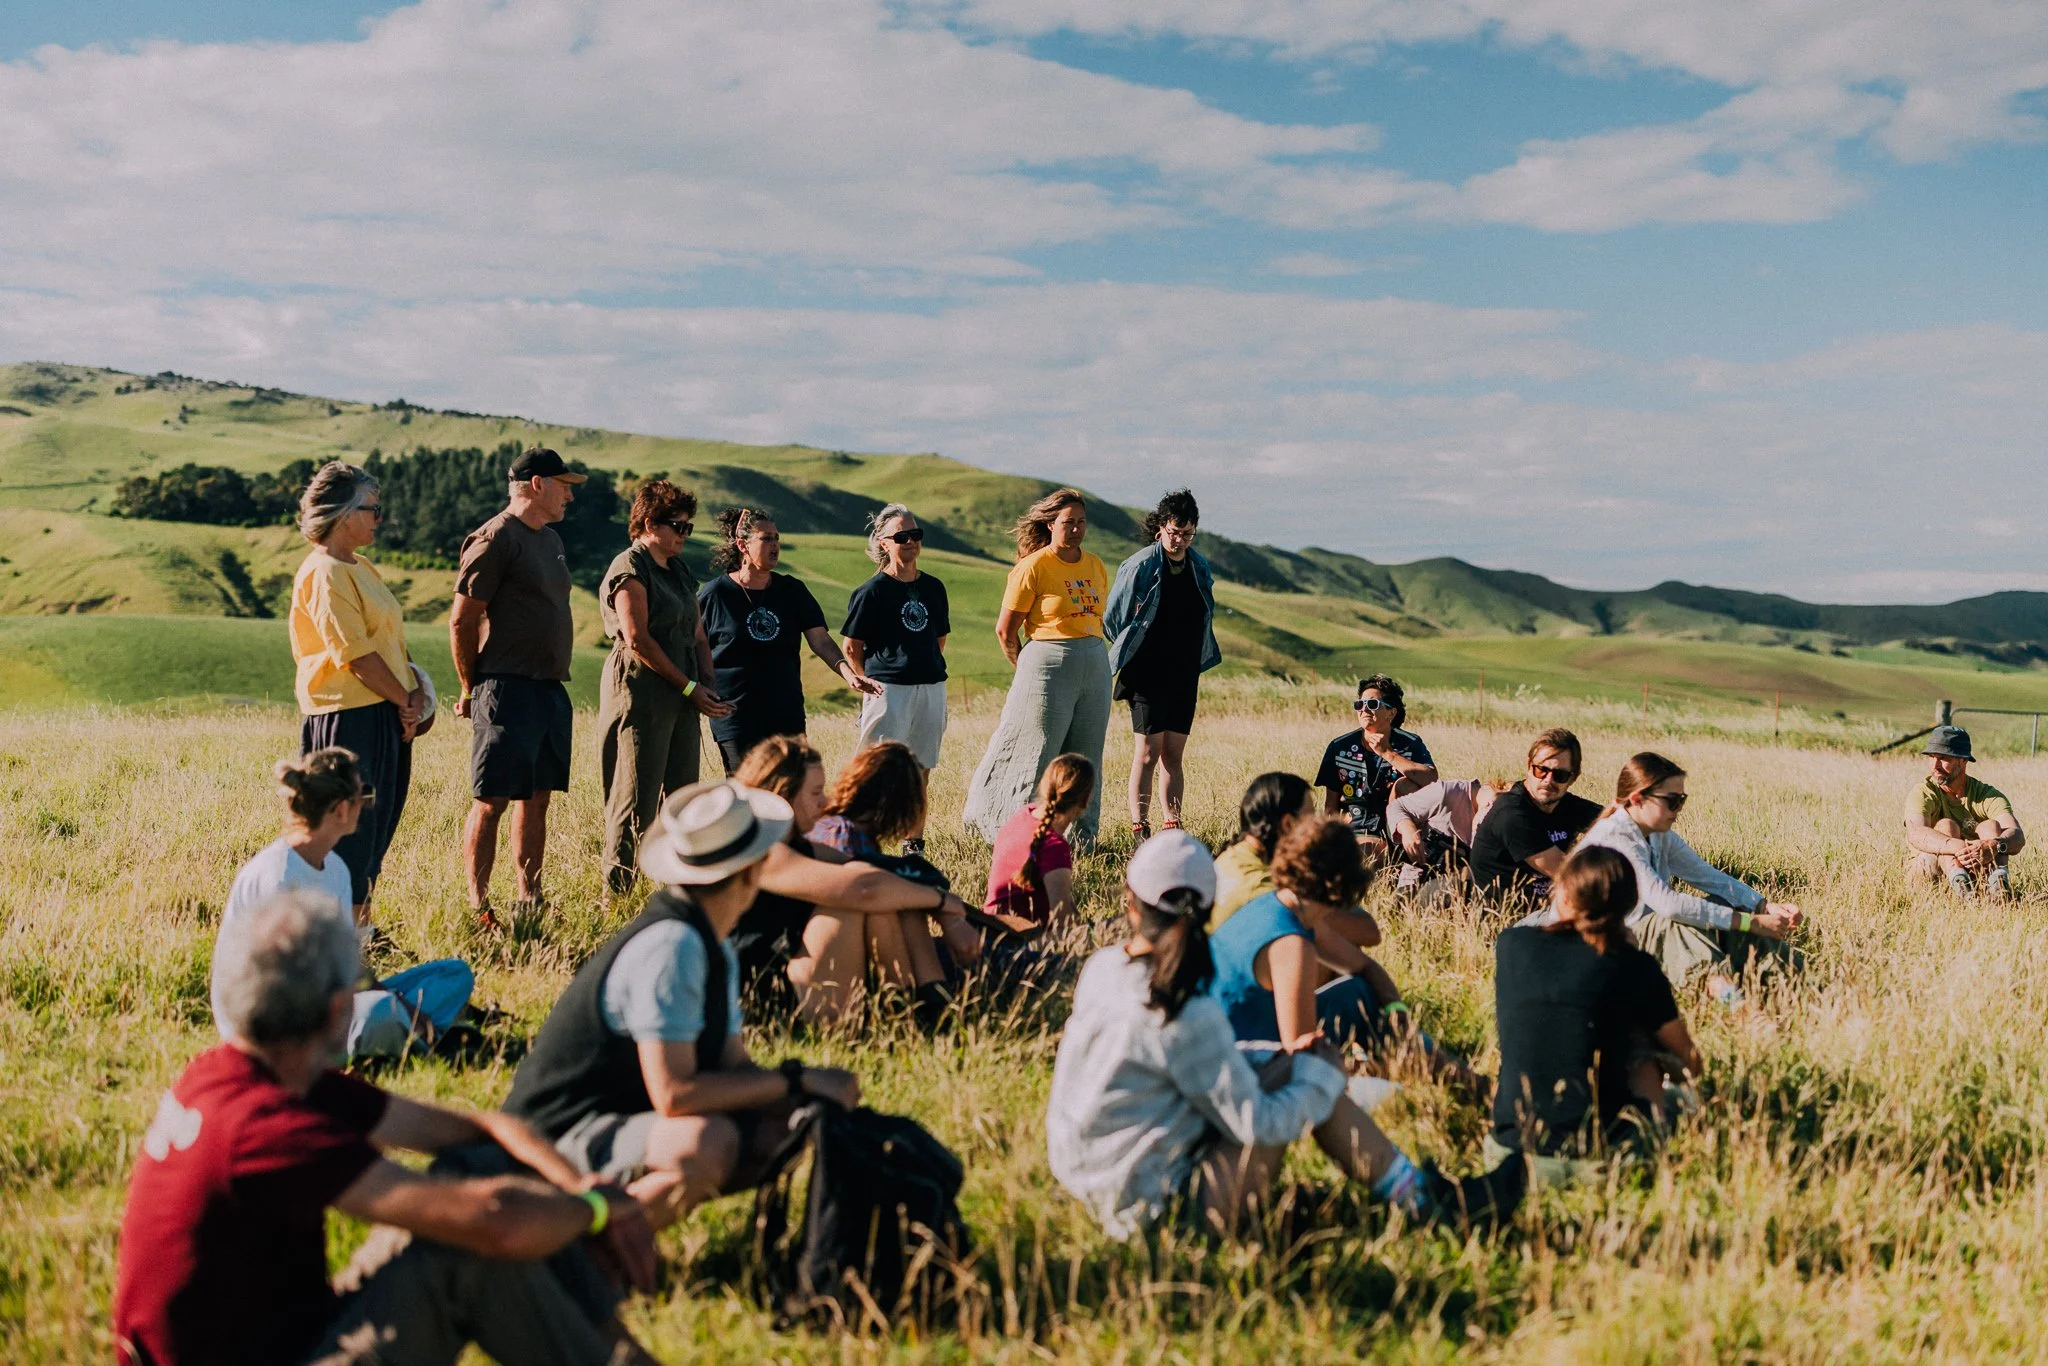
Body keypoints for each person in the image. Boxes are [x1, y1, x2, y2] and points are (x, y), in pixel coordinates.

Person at [114, 888, 660, 1366]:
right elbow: (496, 1224)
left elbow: (481, 1130)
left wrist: (577, 1188)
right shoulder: (267, 1127)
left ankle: (622, 1352)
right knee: (465, 1255)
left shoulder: (240, 1074)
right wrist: (596, 1210)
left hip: (292, 1334)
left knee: (475, 1167)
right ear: (335, 1012)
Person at [1046, 831, 1518, 1238]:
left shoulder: (1102, 968)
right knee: (1310, 1075)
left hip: (1091, 1179)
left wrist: (1290, 1061)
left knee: (1300, 1064)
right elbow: (1260, 1126)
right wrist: (1322, 1076)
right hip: (1154, 1213)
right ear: (1206, 910)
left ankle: (1416, 1192)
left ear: (1131, 905)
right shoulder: (1188, 1010)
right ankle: (1422, 1199)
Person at [502, 780, 864, 1231]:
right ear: (752, 871)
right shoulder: (673, 946)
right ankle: (578, 1249)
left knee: (786, 1130)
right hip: (551, 1140)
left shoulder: (711, 942)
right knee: (706, 1143)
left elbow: (734, 1069)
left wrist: (806, 1098)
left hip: (619, 1117)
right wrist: (799, 1077)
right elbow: (676, 1096)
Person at [220, 750, 475, 1061]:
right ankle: (424, 1040)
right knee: (381, 1010)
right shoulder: (279, 875)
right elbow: (278, 984)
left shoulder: (336, 867)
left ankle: (401, 1031)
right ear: (341, 809)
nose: (367, 805)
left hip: (328, 1002)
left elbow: (347, 962)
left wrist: (390, 997)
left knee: (454, 974)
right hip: (276, 1026)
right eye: (363, 795)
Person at [1489, 846, 1702, 1189]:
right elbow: (1690, 1060)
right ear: (1630, 906)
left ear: (1565, 896)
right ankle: (1654, 1144)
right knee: (1643, 1048)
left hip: (1507, 1154)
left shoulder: (1511, 944)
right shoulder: (1635, 966)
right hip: (1602, 1161)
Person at [731, 738, 979, 1026]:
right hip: (760, 1001)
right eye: (814, 792)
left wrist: (944, 910)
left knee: (888, 893)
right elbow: (863, 888)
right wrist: (945, 902)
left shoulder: (799, 847)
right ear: (782, 795)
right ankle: (915, 1009)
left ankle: (922, 1008)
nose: (825, 802)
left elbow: (883, 873)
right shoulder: (759, 854)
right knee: (855, 901)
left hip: (791, 981)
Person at [1210, 816, 1473, 1085]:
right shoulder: (1290, 943)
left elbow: (1365, 967)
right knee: (1357, 1029)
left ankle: (1450, 1072)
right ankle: (1460, 1080)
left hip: (1240, 1038)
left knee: (1356, 992)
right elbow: (1301, 1056)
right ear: (1342, 888)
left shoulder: (1283, 906)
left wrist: (1397, 1013)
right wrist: (1371, 1069)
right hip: (1238, 1067)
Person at [287, 460, 427, 925]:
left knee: (375, 828)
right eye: (372, 508)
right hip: (348, 716)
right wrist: (404, 700)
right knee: (349, 830)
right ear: (344, 514)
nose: (378, 518)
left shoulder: (358, 565)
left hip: (381, 710)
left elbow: (387, 644)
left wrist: (408, 699)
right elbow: (355, 654)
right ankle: (344, 941)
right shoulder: (325, 571)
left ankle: (360, 932)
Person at [450, 446, 584, 926]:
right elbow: (463, 621)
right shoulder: (493, 538)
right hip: (505, 688)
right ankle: (478, 906)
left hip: (549, 688)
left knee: (538, 796)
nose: (570, 495)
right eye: (564, 485)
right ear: (537, 484)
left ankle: (530, 898)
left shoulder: (550, 540)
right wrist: (471, 687)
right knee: (492, 800)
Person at [597, 478, 735, 894]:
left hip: (684, 691)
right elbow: (637, 639)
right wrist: (690, 687)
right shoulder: (630, 567)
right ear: (648, 522)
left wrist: (706, 683)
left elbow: (696, 633)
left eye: (688, 527)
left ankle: (679, 891)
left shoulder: (677, 569)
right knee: (634, 799)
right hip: (641, 690)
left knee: (683, 796)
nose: (684, 535)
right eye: (678, 525)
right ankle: (616, 894)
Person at [1575, 752, 1804, 1000]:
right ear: (1637, 799)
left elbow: (1707, 876)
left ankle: (1797, 981)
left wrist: (1763, 906)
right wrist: (1751, 922)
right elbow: (1669, 905)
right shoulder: (1615, 839)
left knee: (1723, 904)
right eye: (1672, 801)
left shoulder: (1657, 832)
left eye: (1682, 800)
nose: (1679, 809)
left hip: (1637, 937)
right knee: (1675, 922)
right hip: (1599, 946)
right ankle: (1737, 1007)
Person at [964, 488, 1112, 847]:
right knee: (1038, 750)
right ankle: (1017, 832)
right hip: (1048, 661)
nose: (1075, 529)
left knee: (1087, 754)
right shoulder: (1033, 567)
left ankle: (1080, 837)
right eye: (1067, 522)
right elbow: (1006, 629)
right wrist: (1026, 668)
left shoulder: (1094, 564)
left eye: (1080, 522)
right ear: (1050, 524)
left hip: (1094, 661)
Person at [697, 507, 881, 774]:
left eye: (776, 538)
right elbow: (694, 645)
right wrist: (697, 691)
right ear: (742, 545)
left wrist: (848, 673)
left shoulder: (792, 591)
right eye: (766, 538)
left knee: (790, 790)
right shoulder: (715, 595)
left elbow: (820, 640)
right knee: (745, 795)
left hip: (786, 712)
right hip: (735, 714)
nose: (774, 545)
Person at [1103, 488, 1221, 841]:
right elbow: (1112, 619)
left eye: (1187, 534)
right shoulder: (1139, 565)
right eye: (1174, 532)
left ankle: (1173, 824)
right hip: (1146, 672)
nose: (1179, 540)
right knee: (1147, 752)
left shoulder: (1198, 566)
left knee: (1174, 753)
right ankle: (1140, 825)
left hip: (1183, 673)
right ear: (1161, 528)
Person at [841, 503, 950, 854]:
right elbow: (851, 646)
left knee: (921, 769)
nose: (910, 542)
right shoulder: (871, 592)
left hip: (930, 686)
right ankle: (860, 838)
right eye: (901, 536)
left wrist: (924, 667)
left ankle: (912, 843)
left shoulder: (934, 587)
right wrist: (866, 682)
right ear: (883, 543)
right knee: (877, 769)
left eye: (915, 535)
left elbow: (939, 639)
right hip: (888, 689)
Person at [1468, 728, 1602, 905]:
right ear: (1529, 765)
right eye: (1542, 770)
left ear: (1573, 777)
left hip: (1548, 911)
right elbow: (1568, 873)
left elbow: (1620, 821)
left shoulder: (1567, 805)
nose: (1548, 780)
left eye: (1560, 775)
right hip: (1509, 918)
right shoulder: (1511, 813)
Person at [1315, 675, 1437, 861]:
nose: (1364, 709)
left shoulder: (1410, 744)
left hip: (1401, 825)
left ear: (1391, 713)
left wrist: (1388, 753)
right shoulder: (1340, 748)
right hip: (1358, 825)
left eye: (1372, 704)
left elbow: (1431, 779)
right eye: (1359, 704)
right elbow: (1331, 806)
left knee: (1405, 785)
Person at [1905, 724, 2026, 900]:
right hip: (1930, 875)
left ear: (1963, 760)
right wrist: (1961, 848)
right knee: (1945, 826)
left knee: (1990, 827)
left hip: (1975, 871)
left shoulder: (1986, 795)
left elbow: (2017, 836)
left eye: (1943, 758)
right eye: (1931, 757)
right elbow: (1915, 833)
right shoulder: (1923, 792)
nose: (1935, 765)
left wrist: (1993, 845)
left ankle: (1998, 890)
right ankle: (1962, 888)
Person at [983, 753, 1094, 933]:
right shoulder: (1054, 846)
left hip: (989, 926)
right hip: (1020, 941)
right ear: (1086, 799)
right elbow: (1063, 924)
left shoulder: (1023, 815)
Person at [1387, 778, 1503, 894]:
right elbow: (1396, 806)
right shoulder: (1448, 792)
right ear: (1489, 805)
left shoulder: (1508, 820)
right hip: (1417, 878)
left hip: (1464, 887)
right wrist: (1407, 828)